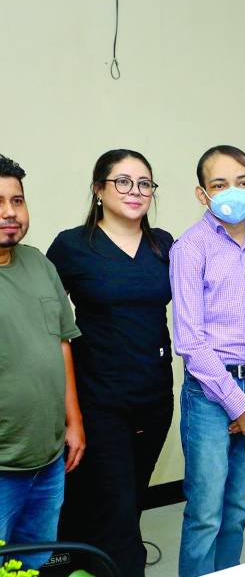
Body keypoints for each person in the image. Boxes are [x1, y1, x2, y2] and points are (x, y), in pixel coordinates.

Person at [46, 149, 173, 577]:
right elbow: (45, 317)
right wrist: (67, 412)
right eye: (122, 181)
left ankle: (86, 562)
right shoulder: (72, 246)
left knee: (128, 498)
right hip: (98, 399)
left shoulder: (164, 245)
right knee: (115, 507)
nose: (135, 191)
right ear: (98, 189)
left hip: (155, 398)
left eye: (144, 183)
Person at [170, 145, 245, 577]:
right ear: (202, 194)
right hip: (211, 397)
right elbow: (191, 342)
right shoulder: (189, 248)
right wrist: (239, 405)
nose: (233, 191)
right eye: (219, 184)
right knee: (206, 514)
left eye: (242, 181)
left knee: (237, 510)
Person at [0, 154, 83, 570]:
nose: (9, 213)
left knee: (32, 563)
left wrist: (74, 422)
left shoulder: (39, 263)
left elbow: (62, 344)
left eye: (17, 200)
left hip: (48, 460)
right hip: (2, 465)